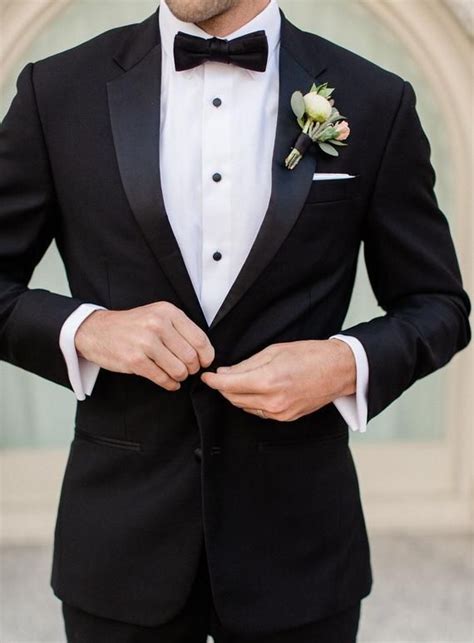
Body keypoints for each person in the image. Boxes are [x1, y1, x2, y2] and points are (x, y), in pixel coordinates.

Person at [0, 0, 470, 641]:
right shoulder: (56, 91)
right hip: (119, 551)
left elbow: (439, 306)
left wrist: (340, 364)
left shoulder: (374, 98)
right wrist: (86, 329)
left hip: (301, 551)